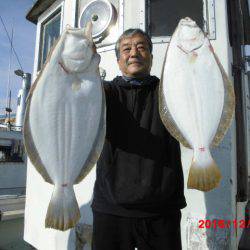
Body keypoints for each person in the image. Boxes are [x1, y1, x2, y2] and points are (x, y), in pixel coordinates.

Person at [91, 28, 186, 250]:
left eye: (141, 47)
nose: (134, 53)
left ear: (151, 58)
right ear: (118, 60)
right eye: (126, 49)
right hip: (110, 208)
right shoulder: (104, 92)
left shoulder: (170, 91)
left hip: (162, 210)